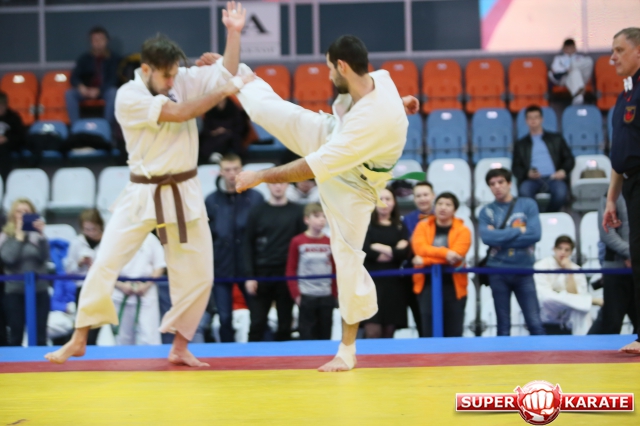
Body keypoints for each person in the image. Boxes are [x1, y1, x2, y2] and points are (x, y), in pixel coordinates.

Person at [45, 2, 252, 366]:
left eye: (175, 74)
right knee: (105, 260)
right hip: (143, 190)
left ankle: (180, 345)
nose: (172, 82)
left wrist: (233, 33)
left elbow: (228, 71)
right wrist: (226, 89)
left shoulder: (179, 79)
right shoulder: (128, 96)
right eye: (166, 76)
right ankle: (79, 338)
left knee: (199, 273)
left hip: (184, 190)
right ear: (146, 69)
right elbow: (181, 112)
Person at [210, 34, 418, 371]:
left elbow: (309, 168)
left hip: (355, 185)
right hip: (337, 134)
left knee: (347, 258)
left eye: (329, 68)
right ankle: (236, 74)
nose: (328, 75)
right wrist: (402, 104)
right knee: (280, 113)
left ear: (342, 66)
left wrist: (260, 176)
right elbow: (386, 103)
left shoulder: (370, 120)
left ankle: (347, 350)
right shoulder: (380, 80)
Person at [602, 26, 640, 354]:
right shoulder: (624, 97)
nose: (612, 57)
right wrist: (611, 199)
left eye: (619, 50)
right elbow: (620, 153)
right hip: (631, 185)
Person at [478, 168, 545, 336]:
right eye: (492, 184)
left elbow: (535, 234)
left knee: (535, 322)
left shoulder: (528, 204)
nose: (497, 187)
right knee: (503, 325)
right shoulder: (486, 211)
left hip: (524, 270)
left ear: (509, 183)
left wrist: (499, 235)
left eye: (500, 182)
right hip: (497, 271)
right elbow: (487, 238)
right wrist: (518, 230)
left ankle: (544, 353)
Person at [203, 153, 263, 342]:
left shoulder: (255, 198)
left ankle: (258, 353)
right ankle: (225, 355)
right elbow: (206, 237)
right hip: (221, 267)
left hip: (249, 268)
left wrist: (255, 270)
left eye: (236, 169)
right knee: (224, 318)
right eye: (227, 170)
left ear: (242, 169)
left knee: (258, 317)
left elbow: (259, 235)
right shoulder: (211, 200)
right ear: (221, 172)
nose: (232, 173)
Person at [244, 183, 305, 342]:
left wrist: (298, 277)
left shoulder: (297, 211)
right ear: (267, 185)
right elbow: (247, 244)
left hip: (287, 274)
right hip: (261, 274)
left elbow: (302, 244)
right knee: (257, 323)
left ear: (287, 185)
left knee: (285, 324)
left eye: (281, 182)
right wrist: (249, 276)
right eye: (274, 183)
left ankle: (285, 357)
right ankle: (251, 356)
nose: (278, 187)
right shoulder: (257, 211)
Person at [411, 192, 471, 337]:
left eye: (448, 204)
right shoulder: (422, 226)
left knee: (454, 332)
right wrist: (445, 253)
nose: (443, 207)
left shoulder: (463, 230)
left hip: (454, 287)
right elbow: (419, 248)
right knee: (428, 330)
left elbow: (456, 256)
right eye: (440, 204)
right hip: (426, 285)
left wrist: (425, 260)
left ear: (455, 210)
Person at [0, 198, 50, 346]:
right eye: (19, 211)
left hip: (39, 291)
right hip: (14, 292)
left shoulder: (37, 236)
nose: (22, 215)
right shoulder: (5, 236)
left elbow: (45, 257)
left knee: (41, 336)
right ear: (13, 215)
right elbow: (8, 259)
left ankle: (41, 360)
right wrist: (19, 238)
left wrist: (42, 236)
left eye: (26, 212)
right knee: (16, 335)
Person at [362, 188, 411, 338]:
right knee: (372, 331)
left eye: (388, 199)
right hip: (371, 283)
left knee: (389, 332)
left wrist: (380, 247)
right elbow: (366, 251)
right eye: (380, 199)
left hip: (393, 285)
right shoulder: (365, 224)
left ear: (394, 202)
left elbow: (403, 253)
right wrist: (393, 250)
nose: (384, 203)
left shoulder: (400, 226)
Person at [286, 203, 336, 340]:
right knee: (307, 336)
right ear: (306, 219)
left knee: (325, 336)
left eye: (324, 216)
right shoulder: (297, 241)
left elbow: (334, 269)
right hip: (306, 295)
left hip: (326, 295)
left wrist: (334, 294)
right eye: (317, 216)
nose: (321, 220)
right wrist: (296, 295)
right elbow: (291, 269)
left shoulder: (330, 242)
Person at [590, 193, 638, 335]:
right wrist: (633, 253)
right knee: (611, 322)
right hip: (616, 270)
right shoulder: (610, 196)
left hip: (636, 270)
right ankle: (590, 347)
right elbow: (607, 233)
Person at [534, 235, 601, 335]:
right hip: (547, 314)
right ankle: (590, 300)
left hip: (569, 319)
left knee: (582, 308)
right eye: (560, 248)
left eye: (567, 250)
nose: (563, 252)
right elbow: (545, 297)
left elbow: (577, 296)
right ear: (554, 249)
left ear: (571, 252)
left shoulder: (576, 269)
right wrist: (583, 300)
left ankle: (584, 342)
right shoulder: (541, 266)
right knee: (548, 299)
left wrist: (569, 272)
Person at [512, 105, 574, 213]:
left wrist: (563, 171)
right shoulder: (521, 144)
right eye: (530, 118)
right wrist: (527, 173)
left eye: (536, 117)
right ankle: (537, 215)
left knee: (561, 193)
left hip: (554, 178)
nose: (533, 120)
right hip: (531, 180)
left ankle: (548, 215)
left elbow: (569, 159)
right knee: (524, 191)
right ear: (526, 121)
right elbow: (515, 167)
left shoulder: (556, 139)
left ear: (542, 119)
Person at [111, 233, 166, 345]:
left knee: (149, 337)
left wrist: (147, 284)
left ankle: (152, 358)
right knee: (122, 338)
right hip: (120, 292)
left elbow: (160, 265)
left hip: (146, 293)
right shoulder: (115, 236)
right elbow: (104, 267)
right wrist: (120, 285)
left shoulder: (150, 239)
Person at [63, 208, 105, 345]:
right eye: (87, 229)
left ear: (100, 225)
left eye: (94, 229)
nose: (90, 232)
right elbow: (69, 271)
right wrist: (79, 263)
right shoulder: (77, 242)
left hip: (103, 289)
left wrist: (98, 268)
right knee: (84, 329)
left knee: (97, 328)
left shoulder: (108, 241)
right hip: (83, 288)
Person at [66, 26, 121, 124]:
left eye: (101, 39)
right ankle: (75, 127)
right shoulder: (84, 59)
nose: (98, 43)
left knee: (113, 92)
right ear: (91, 42)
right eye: (95, 40)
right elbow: (74, 77)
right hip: (86, 90)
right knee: (69, 94)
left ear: (107, 41)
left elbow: (114, 79)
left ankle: (106, 127)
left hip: (104, 90)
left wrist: (99, 90)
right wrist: (81, 86)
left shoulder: (114, 59)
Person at [199, 97, 250, 164]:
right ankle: (210, 157)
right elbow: (206, 128)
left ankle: (217, 155)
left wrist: (227, 131)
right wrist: (214, 132)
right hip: (213, 137)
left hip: (231, 135)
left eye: (222, 101)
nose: (220, 104)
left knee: (229, 138)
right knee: (206, 141)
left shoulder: (234, 111)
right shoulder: (210, 113)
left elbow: (240, 127)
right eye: (218, 102)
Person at [549, 38, 594, 105]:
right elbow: (554, 71)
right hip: (565, 78)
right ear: (564, 49)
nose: (569, 50)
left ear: (575, 48)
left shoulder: (580, 58)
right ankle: (578, 96)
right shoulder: (559, 58)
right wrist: (566, 70)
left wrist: (571, 68)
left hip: (582, 78)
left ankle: (572, 68)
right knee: (575, 72)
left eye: (571, 48)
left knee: (589, 61)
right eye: (567, 48)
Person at [0, 90, 25, 183]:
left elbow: (21, 136)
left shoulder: (13, 117)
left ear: (6, 105)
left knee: (2, 150)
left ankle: (4, 181)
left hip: (9, 146)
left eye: (2, 106)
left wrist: (7, 138)